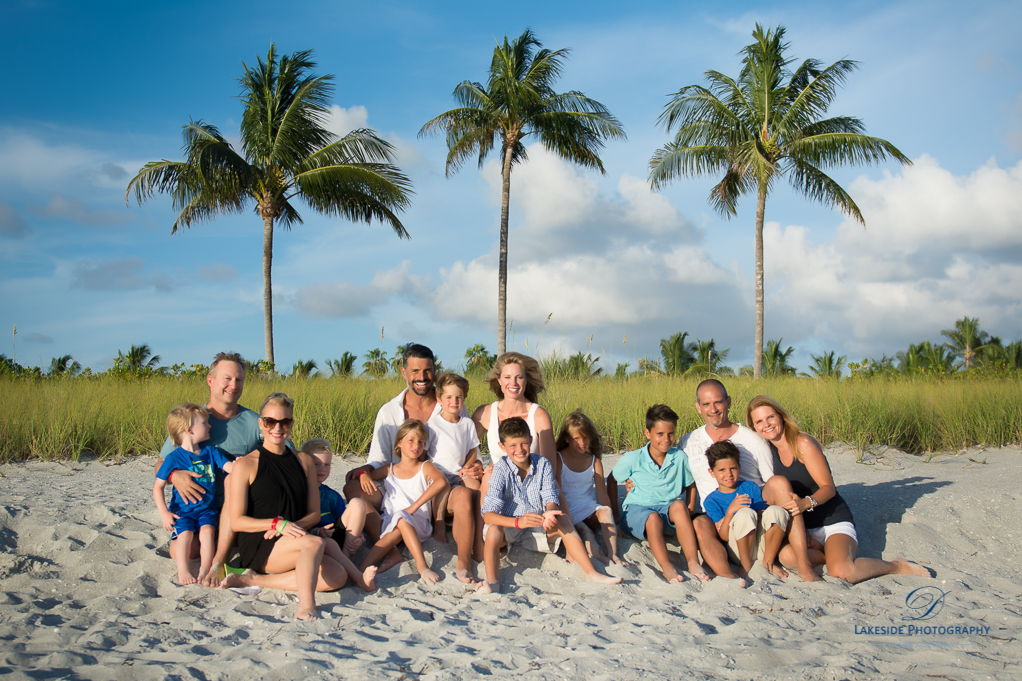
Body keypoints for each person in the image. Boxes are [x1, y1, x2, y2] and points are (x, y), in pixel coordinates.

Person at [221, 393, 375, 620]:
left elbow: (313, 513)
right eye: (270, 421)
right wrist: (276, 524)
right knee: (314, 542)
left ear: (291, 423)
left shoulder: (303, 461)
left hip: (294, 536)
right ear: (261, 423)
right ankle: (307, 606)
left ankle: (252, 580)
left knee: (336, 576)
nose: (278, 427)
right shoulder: (246, 464)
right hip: (261, 543)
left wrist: (289, 526)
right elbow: (237, 521)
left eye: (285, 422)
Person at [745, 395, 929, 584]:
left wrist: (805, 503)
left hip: (831, 519)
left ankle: (896, 566)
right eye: (759, 421)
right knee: (787, 558)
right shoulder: (767, 451)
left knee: (843, 572)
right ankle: (828, 556)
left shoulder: (802, 443)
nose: (766, 424)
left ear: (781, 416)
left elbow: (829, 488)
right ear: (754, 428)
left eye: (770, 417)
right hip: (804, 529)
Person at [345, 344, 481, 582]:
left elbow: (467, 444)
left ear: (434, 371)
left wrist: (474, 464)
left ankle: (463, 562)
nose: (422, 377)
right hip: (400, 486)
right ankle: (394, 549)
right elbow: (378, 458)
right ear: (403, 372)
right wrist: (365, 471)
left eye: (427, 371)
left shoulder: (450, 402)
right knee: (353, 489)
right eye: (415, 371)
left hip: (441, 487)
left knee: (464, 495)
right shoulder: (389, 411)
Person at [682, 379, 821, 582]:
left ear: (728, 402)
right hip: (716, 519)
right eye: (706, 404)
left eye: (718, 402)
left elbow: (770, 483)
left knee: (780, 482)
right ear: (698, 407)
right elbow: (677, 478)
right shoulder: (688, 441)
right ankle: (729, 577)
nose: (713, 409)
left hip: (755, 516)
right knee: (700, 523)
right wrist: (634, 484)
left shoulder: (752, 440)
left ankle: (804, 564)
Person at [477, 417, 622, 595]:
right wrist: (517, 522)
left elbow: (550, 496)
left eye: (523, 443)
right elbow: (488, 514)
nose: (519, 450)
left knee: (562, 519)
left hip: (537, 526)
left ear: (531, 440)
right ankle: (492, 582)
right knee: (493, 530)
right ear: (502, 447)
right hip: (510, 528)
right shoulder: (500, 469)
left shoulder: (542, 463)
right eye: (512, 445)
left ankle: (591, 572)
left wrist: (550, 512)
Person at [156, 352, 262, 585]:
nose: (233, 385)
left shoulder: (255, 422)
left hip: (241, 505)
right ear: (210, 380)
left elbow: (286, 451)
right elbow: (162, 464)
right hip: (199, 506)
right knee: (185, 550)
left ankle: (222, 555)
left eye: (239, 379)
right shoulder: (191, 419)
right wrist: (177, 476)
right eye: (227, 378)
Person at [607, 405, 711, 584]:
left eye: (671, 434)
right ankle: (667, 566)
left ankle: (693, 562)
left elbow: (690, 483)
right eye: (660, 434)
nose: (666, 439)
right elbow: (612, 479)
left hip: (668, 511)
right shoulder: (633, 458)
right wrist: (615, 514)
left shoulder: (679, 458)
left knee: (679, 505)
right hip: (637, 512)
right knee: (652, 518)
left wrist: (691, 508)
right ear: (648, 433)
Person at [153, 403, 234, 585]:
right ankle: (183, 570)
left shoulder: (211, 452)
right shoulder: (174, 457)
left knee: (207, 533)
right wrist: (164, 513)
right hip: (183, 511)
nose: (210, 426)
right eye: (205, 423)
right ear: (188, 429)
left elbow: (230, 468)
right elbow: (158, 487)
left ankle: (205, 568)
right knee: (186, 535)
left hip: (207, 510)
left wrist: (242, 464)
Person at [359, 420, 447, 585]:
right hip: (390, 523)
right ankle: (361, 571)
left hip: (417, 523)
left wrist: (412, 508)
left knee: (401, 516)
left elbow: (441, 481)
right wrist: (363, 473)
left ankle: (422, 567)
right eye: (411, 440)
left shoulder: (425, 466)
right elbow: (368, 475)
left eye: (421, 441)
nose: (417, 445)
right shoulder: (389, 469)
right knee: (370, 510)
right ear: (399, 442)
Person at [472, 352, 557, 501]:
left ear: (526, 380)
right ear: (499, 380)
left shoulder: (539, 415)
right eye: (507, 377)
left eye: (519, 377)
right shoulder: (484, 413)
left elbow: (550, 467)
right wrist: (478, 464)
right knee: (489, 476)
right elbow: (467, 446)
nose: (514, 383)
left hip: (531, 483)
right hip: (496, 484)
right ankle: (485, 523)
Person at [702, 440, 789, 581]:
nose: (728, 474)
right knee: (744, 513)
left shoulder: (750, 487)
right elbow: (723, 536)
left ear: (739, 467)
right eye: (721, 470)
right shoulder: (711, 500)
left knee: (776, 511)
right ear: (712, 472)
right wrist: (730, 512)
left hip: (761, 544)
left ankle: (769, 562)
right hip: (738, 550)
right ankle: (745, 565)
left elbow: (763, 514)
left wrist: (755, 515)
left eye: (733, 468)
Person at [429, 372, 485, 581]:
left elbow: (472, 449)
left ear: (464, 399)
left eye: (458, 397)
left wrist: (468, 466)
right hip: (441, 473)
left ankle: (478, 539)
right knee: (441, 485)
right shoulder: (433, 425)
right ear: (439, 400)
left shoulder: (467, 424)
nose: (454, 402)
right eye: (449, 398)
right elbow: (425, 455)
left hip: (459, 471)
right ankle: (440, 524)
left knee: (476, 489)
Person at [552, 410, 627, 566]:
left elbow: (602, 495)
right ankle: (601, 559)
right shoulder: (559, 458)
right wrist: (566, 518)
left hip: (588, 506)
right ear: (566, 439)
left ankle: (614, 555)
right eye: (576, 438)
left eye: (585, 437)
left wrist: (611, 523)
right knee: (586, 533)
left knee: (605, 511)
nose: (582, 442)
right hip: (568, 509)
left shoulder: (594, 461)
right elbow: (557, 492)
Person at [300, 438, 372, 558]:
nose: (322, 469)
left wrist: (360, 539)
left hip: (333, 534)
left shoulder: (331, 495)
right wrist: (317, 532)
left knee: (358, 503)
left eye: (326, 464)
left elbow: (346, 520)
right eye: (316, 464)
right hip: (311, 539)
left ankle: (345, 555)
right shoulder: (300, 492)